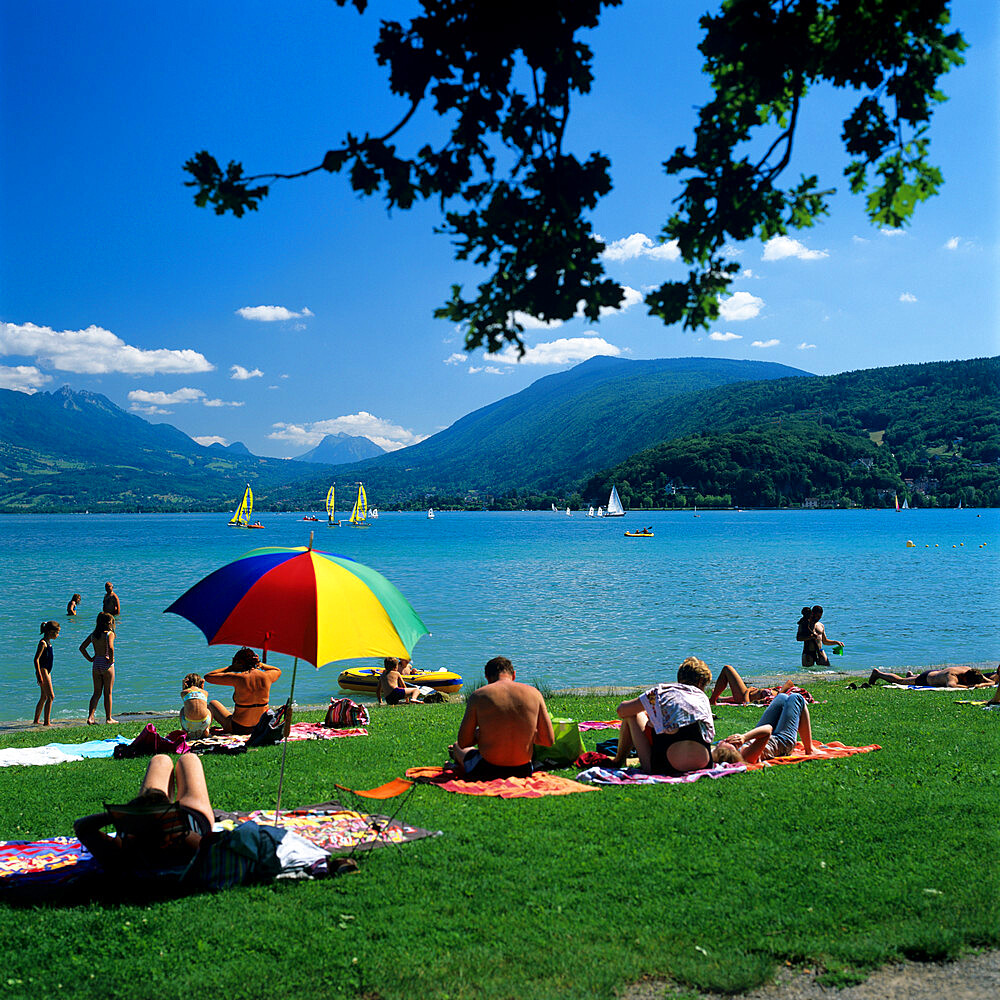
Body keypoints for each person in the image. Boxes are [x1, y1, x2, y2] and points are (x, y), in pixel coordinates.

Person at [74, 753, 214, 873]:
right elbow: (213, 845)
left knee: (160, 760)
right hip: (191, 815)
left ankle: (153, 809)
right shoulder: (190, 844)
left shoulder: (125, 851)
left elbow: (82, 826)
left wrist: (122, 816)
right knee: (189, 759)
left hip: (164, 820)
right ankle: (156, 809)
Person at [448, 656, 555, 779]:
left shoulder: (478, 696)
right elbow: (548, 740)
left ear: (487, 677)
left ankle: (457, 764)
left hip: (487, 770)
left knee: (457, 747)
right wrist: (525, 734)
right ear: (514, 675)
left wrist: (480, 735)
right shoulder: (535, 693)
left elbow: (463, 742)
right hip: (523, 771)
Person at [611, 656, 715, 775]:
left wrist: (647, 708)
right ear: (701, 682)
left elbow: (622, 711)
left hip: (664, 767)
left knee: (633, 714)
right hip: (705, 765)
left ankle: (618, 761)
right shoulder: (702, 698)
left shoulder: (659, 693)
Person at [711, 692, 820, 764]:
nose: (727, 740)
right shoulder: (747, 756)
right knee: (796, 698)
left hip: (763, 738)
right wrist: (744, 737)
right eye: (730, 743)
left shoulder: (717, 753)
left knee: (781, 697)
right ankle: (809, 749)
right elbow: (767, 730)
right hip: (782, 741)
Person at [205, 647, 282, 734]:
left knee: (213, 703)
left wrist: (230, 668)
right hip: (261, 727)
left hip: (239, 728)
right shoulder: (267, 676)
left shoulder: (237, 678)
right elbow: (277, 670)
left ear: (238, 663)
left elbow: (208, 676)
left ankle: (205, 731)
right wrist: (261, 664)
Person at [80, 611, 116, 724]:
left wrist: (90, 659)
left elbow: (82, 647)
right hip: (106, 663)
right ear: (109, 623)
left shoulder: (93, 635)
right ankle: (109, 718)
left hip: (96, 663)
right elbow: (110, 648)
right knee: (108, 692)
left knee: (96, 692)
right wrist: (111, 659)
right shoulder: (109, 634)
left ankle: (91, 717)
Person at [708, 664, 796, 706]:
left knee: (727, 669)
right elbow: (790, 683)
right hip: (746, 693)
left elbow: (746, 703)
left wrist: (748, 691)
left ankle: (713, 700)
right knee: (727, 670)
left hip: (743, 696)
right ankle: (720, 698)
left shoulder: (773, 700)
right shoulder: (780, 694)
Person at [865, 665, 999, 688]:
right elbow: (951, 686)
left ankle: (911, 675)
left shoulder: (971, 671)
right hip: (926, 678)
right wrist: (970, 686)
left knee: (907, 679)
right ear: (964, 678)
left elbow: (992, 683)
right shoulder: (952, 676)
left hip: (936, 673)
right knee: (900, 681)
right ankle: (878, 674)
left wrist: (981, 683)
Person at [33, 620, 60, 725]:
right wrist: (39, 674)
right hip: (43, 670)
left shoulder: (49, 643)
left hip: (48, 671)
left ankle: (36, 720)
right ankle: (47, 722)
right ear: (50, 632)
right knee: (51, 696)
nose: (58, 635)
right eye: (57, 632)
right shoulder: (43, 643)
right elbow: (36, 659)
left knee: (44, 696)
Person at [179, 673, 213, 738]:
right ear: (200, 683)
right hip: (204, 722)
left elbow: (186, 695)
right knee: (208, 708)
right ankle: (207, 729)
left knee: (183, 709)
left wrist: (183, 686)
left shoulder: (184, 692)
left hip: (188, 724)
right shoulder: (205, 692)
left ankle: (184, 731)